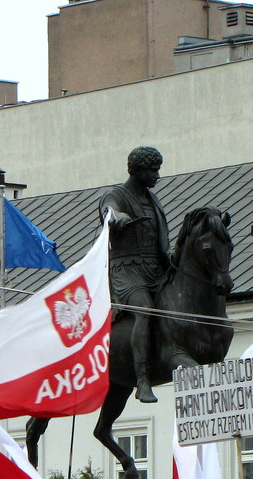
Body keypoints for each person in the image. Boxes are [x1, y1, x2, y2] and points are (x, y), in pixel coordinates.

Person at [99, 146, 171, 402]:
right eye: (153, 170)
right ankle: (142, 379)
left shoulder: (153, 200)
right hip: (127, 271)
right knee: (146, 308)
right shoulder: (117, 195)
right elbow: (109, 211)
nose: (157, 176)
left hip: (157, 269)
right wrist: (116, 218)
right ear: (139, 170)